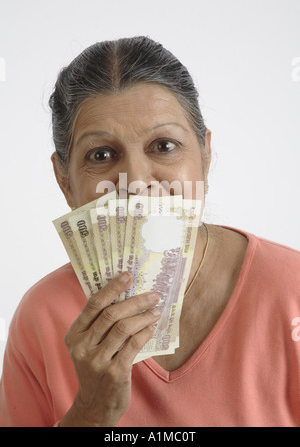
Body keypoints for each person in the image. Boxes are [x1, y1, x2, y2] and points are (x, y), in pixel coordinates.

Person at [0, 36, 299, 427]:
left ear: (204, 158)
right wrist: (90, 411)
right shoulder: (42, 316)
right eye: (101, 155)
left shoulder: (292, 290)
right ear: (65, 181)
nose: (137, 182)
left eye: (164, 145)